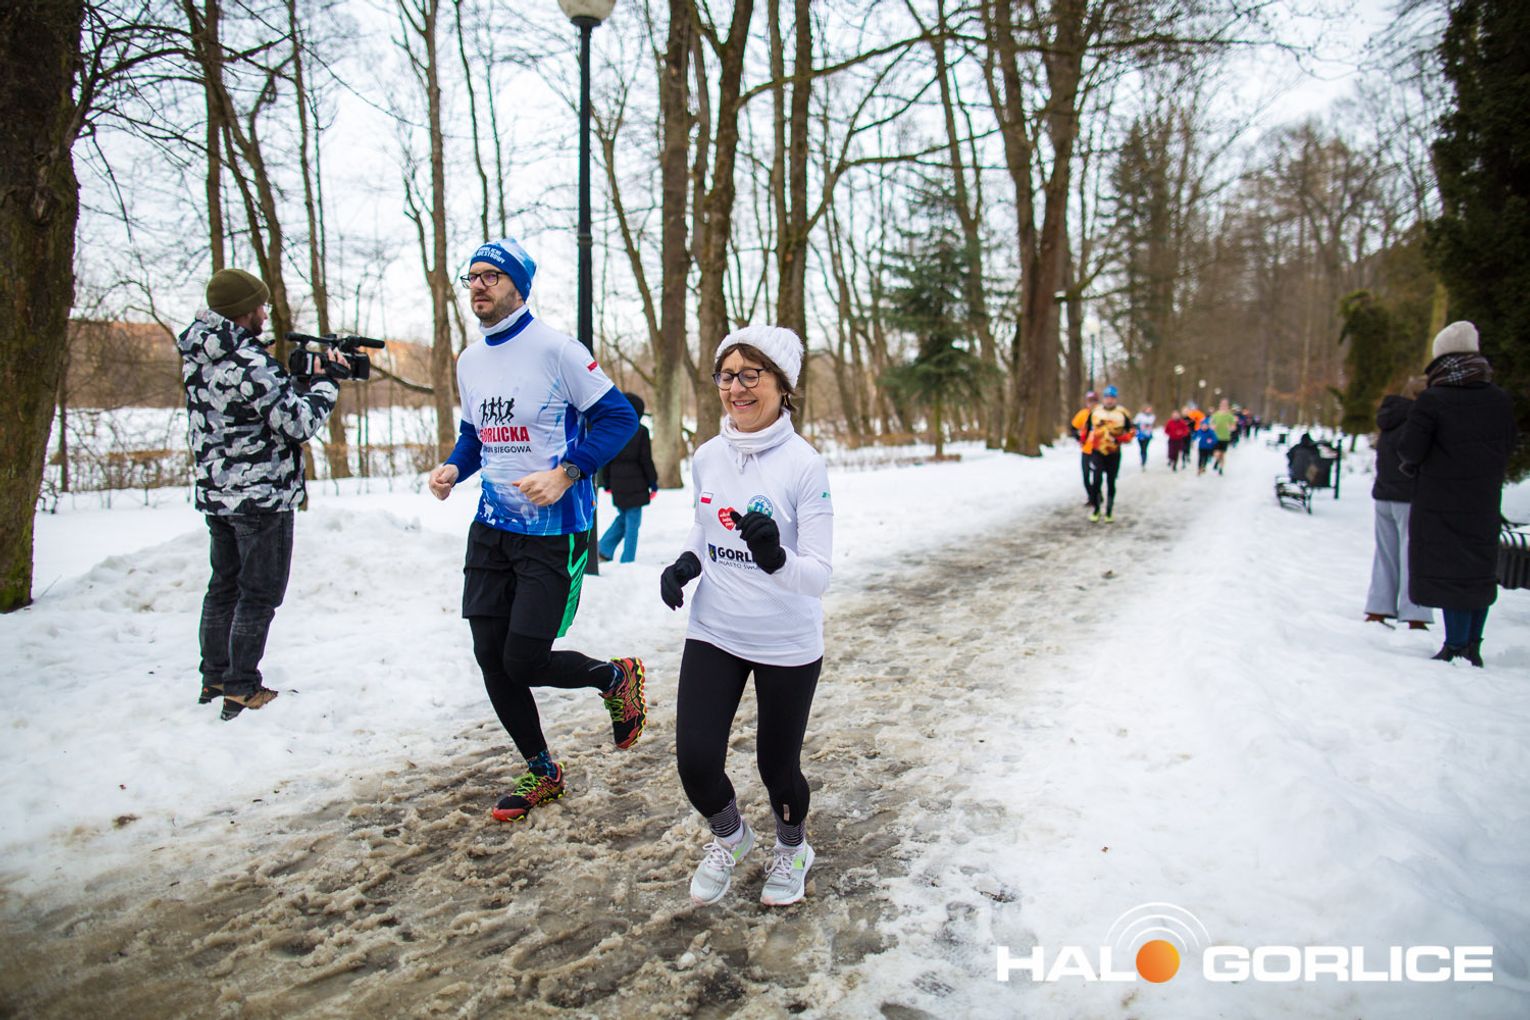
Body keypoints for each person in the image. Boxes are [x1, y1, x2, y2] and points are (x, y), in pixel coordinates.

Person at [428, 237, 643, 822]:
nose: (478, 285)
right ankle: (542, 770)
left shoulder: (557, 350)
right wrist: (455, 467)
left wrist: (567, 471)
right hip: (490, 526)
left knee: (523, 659)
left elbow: (619, 417)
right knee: (489, 655)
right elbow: (475, 436)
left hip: (553, 529)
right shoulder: (470, 361)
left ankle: (614, 677)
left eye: (491, 276)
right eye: (472, 276)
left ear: (518, 287)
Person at [658, 325, 833, 908]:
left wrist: (776, 558)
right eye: (727, 375)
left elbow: (819, 575)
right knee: (696, 763)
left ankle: (793, 848)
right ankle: (732, 838)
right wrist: (687, 562)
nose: (736, 387)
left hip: (786, 639)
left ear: (783, 386)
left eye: (751, 375)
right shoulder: (708, 456)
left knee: (777, 769)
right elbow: (703, 524)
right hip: (716, 629)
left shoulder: (804, 465)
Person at [177, 268, 347, 721]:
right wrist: (327, 383)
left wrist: (294, 383)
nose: (265, 314)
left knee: (223, 587)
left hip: (218, 491)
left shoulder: (202, 354)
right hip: (262, 495)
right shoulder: (249, 361)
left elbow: (251, 409)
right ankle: (243, 688)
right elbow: (298, 423)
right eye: (261, 306)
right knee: (258, 593)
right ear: (244, 310)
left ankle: (215, 678)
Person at [1397, 321, 1518, 666]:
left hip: (1441, 499)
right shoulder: (1498, 398)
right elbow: (1509, 444)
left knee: (1450, 568)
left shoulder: (1433, 399)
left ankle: (1455, 645)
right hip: (1484, 498)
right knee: (1478, 569)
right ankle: (1472, 646)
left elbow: (1410, 449)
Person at [1365, 377, 1433, 631]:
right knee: (1412, 553)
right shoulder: (1418, 421)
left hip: (1384, 493)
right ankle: (1415, 612)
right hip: (1409, 495)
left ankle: (1378, 608)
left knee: (1385, 554)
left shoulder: (1390, 418)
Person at [596, 391, 659, 563]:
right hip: (636, 483)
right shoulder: (641, 431)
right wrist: (653, 482)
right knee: (633, 524)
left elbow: (607, 458)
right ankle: (628, 560)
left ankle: (603, 549)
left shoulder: (613, 430)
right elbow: (645, 459)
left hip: (617, 481)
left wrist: (607, 482)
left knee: (624, 518)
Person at [1083, 385, 1134, 522]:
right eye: (1107, 397)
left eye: (1112, 398)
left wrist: (1121, 439)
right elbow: (1086, 429)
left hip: (1114, 452)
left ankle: (1109, 511)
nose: (1109, 400)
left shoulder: (1122, 413)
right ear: (1103, 398)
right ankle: (1096, 509)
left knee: (1111, 481)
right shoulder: (1096, 412)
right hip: (1097, 451)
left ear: (1115, 399)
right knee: (1096, 480)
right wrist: (1083, 441)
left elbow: (1131, 431)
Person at [1070, 391, 1100, 506]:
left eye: (1094, 401)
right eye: (1090, 401)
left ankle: (1096, 496)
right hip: (1086, 450)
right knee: (1086, 476)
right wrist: (1078, 438)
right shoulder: (1083, 414)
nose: (1092, 404)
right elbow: (1073, 428)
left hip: (1098, 451)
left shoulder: (1101, 414)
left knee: (1097, 476)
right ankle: (1092, 496)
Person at [1209, 398, 1237, 473]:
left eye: (1225, 405)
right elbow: (1210, 424)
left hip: (1225, 437)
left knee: (1223, 454)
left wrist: (1230, 427)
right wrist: (1213, 427)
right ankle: (1217, 461)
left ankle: (1221, 469)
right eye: (1222, 405)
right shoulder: (1215, 415)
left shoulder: (1230, 416)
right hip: (1216, 437)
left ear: (1227, 406)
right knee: (1217, 453)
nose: (1224, 406)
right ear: (1220, 405)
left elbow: (1234, 427)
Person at [1133, 404, 1156, 470]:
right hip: (1140, 434)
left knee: (1144, 448)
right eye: (1147, 409)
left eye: (1149, 409)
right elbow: (1135, 423)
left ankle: (1143, 461)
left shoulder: (1152, 417)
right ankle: (1142, 458)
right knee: (1141, 448)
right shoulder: (1139, 416)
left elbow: (1152, 424)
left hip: (1147, 435)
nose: (1148, 411)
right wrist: (1138, 427)